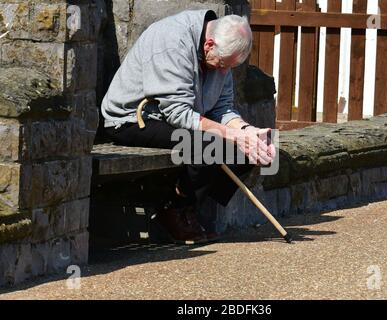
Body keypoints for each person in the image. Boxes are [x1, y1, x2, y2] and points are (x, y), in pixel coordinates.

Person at [101, 9, 276, 245]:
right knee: (208, 144)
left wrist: (246, 131)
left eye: (230, 68)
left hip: (175, 119)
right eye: (222, 65)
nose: (224, 72)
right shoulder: (172, 41)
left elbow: (223, 107)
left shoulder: (220, 54)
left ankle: (187, 205)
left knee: (256, 146)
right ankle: (173, 207)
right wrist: (232, 135)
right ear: (209, 44)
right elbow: (178, 114)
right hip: (134, 119)